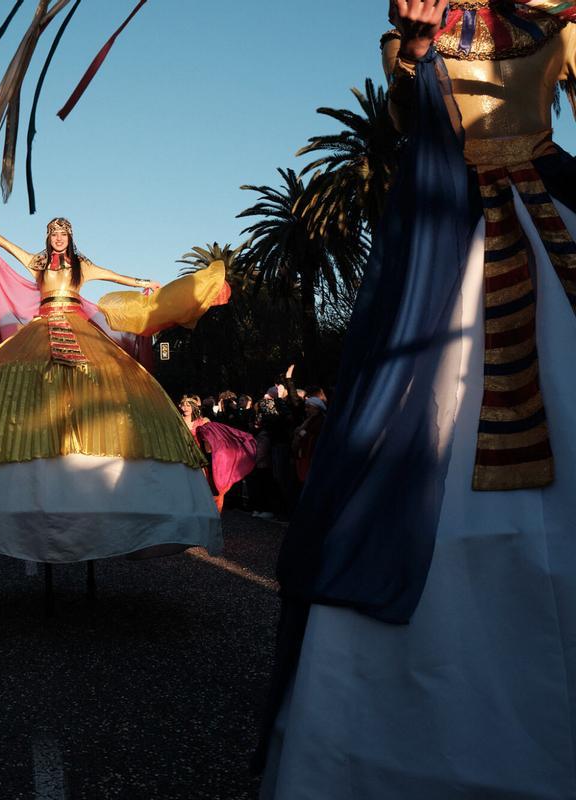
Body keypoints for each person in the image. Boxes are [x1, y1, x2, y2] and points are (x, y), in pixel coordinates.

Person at [261, 2, 576, 797]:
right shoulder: (425, 12)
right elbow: (406, 116)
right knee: (406, 434)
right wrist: (419, 41)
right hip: (448, 239)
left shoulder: (562, 15)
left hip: (551, 220)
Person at [0, 217, 225, 563]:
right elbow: (7, 247)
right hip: (41, 329)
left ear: (70, 237)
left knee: (108, 379)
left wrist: (144, 283)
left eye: (63, 234)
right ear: (48, 237)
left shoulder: (82, 265)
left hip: (78, 329)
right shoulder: (38, 262)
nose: (58, 238)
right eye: (54, 233)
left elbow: (113, 275)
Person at [181, 394, 257, 514]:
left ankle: (202, 509)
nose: (185, 408)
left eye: (188, 405)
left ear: (193, 407)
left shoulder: (203, 421)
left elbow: (213, 439)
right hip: (182, 456)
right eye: (183, 405)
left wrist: (209, 444)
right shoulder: (178, 422)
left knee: (201, 484)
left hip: (199, 458)